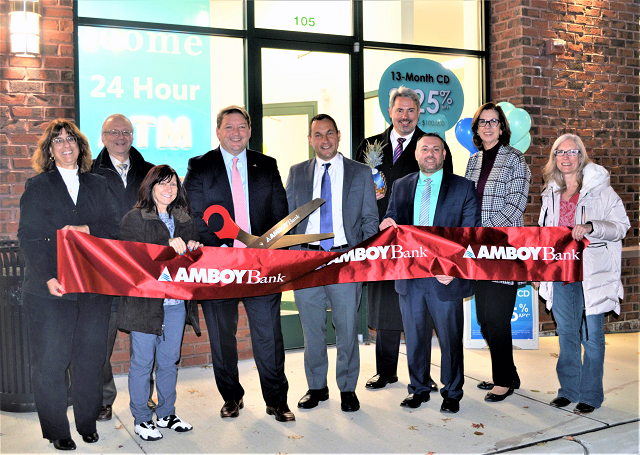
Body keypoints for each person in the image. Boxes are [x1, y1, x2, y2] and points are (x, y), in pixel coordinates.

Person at [183, 105, 295, 422]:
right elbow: (191, 212)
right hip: (218, 264)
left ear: (249, 130)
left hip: (261, 265)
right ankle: (231, 397)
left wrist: (271, 248)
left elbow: (280, 214)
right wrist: (218, 247)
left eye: (241, 126)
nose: (236, 132)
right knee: (221, 336)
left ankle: (276, 401)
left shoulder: (267, 165)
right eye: (229, 127)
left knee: (268, 335)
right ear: (218, 131)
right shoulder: (200, 166)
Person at [18, 119, 119, 451]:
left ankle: (87, 422)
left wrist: (87, 229)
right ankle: (57, 429)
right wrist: (48, 277)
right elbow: (29, 238)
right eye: (58, 141)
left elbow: (112, 227)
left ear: (80, 146)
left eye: (71, 140)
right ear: (49, 150)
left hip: (92, 287)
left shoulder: (98, 183)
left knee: (89, 359)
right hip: (52, 289)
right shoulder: (37, 186)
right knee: (52, 360)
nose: (65, 145)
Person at [355, 86, 451, 391]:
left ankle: (421, 374)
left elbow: (443, 190)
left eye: (411, 111)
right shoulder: (369, 145)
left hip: (416, 241)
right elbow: (356, 191)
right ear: (390, 111)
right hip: (379, 238)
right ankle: (386, 371)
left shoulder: (430, 146)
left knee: (418, 306)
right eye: (400, 110)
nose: (405, 116)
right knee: (384, 304)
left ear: (419, 113)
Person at [381, 133, 480, 413]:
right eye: (425, 149)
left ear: (444, 154)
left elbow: (470, 235)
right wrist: (387, 225)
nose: (430, 154)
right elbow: (394, 223)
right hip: (410, 276)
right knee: (414, 337)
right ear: (416, 153)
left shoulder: (462, 187)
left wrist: (454, 268)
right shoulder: (401, 186)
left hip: (444, 277)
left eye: (436, 149)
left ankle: (452, 391)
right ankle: (419, 388)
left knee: (449, 339)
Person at [285, 114, 378, 413]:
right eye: (317, 135)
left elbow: (369, 219)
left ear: (338, 135)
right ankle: (317, 387)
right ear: (309, 139)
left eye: (329, 134)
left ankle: (347, 388)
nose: (324, 140)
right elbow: (289, 220)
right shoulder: (297, 172)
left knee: (348, 329)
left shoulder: (360, 172)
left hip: (345, 259)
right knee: (311, 330)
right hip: (308, 260)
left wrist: (363, 259)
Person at [536, 134, 629, 414]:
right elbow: (544, 233)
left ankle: (590, 395)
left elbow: (620, 227)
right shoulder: (550, 193)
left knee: (592, 337)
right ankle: (568, 390)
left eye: (571, 152)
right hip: (561, 274)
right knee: (565, 333)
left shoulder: (601, 190)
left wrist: (591, 226)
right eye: (559, 153)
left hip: (591, 275)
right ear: (554, 159)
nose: (566, 158)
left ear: (581, 156)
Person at [118, 165, 203, 440]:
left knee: (169, 361)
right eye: (162, 184)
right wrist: (168, 245)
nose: (169, 190)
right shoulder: (134, 218)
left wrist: (193, 249)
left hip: (176, 303)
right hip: (145, 304)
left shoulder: (185, 218)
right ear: (150, 187)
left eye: (174, 185)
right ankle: (142, 418)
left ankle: (167, 413)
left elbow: (195, 258)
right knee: (142, 363)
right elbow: (132, 259)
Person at [464, 102, 531, 402]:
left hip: (503, 250)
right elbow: (466, 201)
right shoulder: (472, 161)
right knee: (482, 318)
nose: (488, 126)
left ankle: (504, 380)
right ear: (476, 129)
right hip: (478, 252)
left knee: (497, 316)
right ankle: (507, 372)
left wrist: (482, 231)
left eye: (494, 122)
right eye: (482, 122)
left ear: (502, 127)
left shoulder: (516, 160)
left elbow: (515, 206)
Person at [92, 113, 154, 422]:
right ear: (102, 137)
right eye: (113, 132)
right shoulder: (88, 172)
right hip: (103, 271)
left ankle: (144, 395)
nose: (120, 136)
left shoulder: (150, 172)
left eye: (126, 131)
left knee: (144, 339)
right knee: (100, 341)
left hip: (141, 273)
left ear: (133, 136)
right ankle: (103, 399)